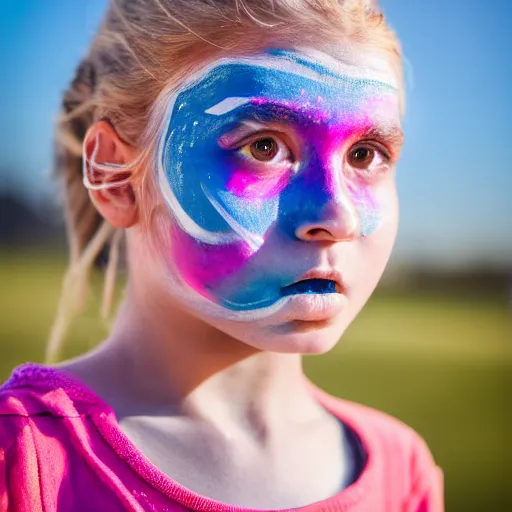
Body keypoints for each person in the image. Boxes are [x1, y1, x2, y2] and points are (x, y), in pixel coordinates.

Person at [0, 0, 443, 510]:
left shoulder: (402, 470)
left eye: (365, 155)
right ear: (116, 177)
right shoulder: (24, 461)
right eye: (263, 148)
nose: (337, 217)